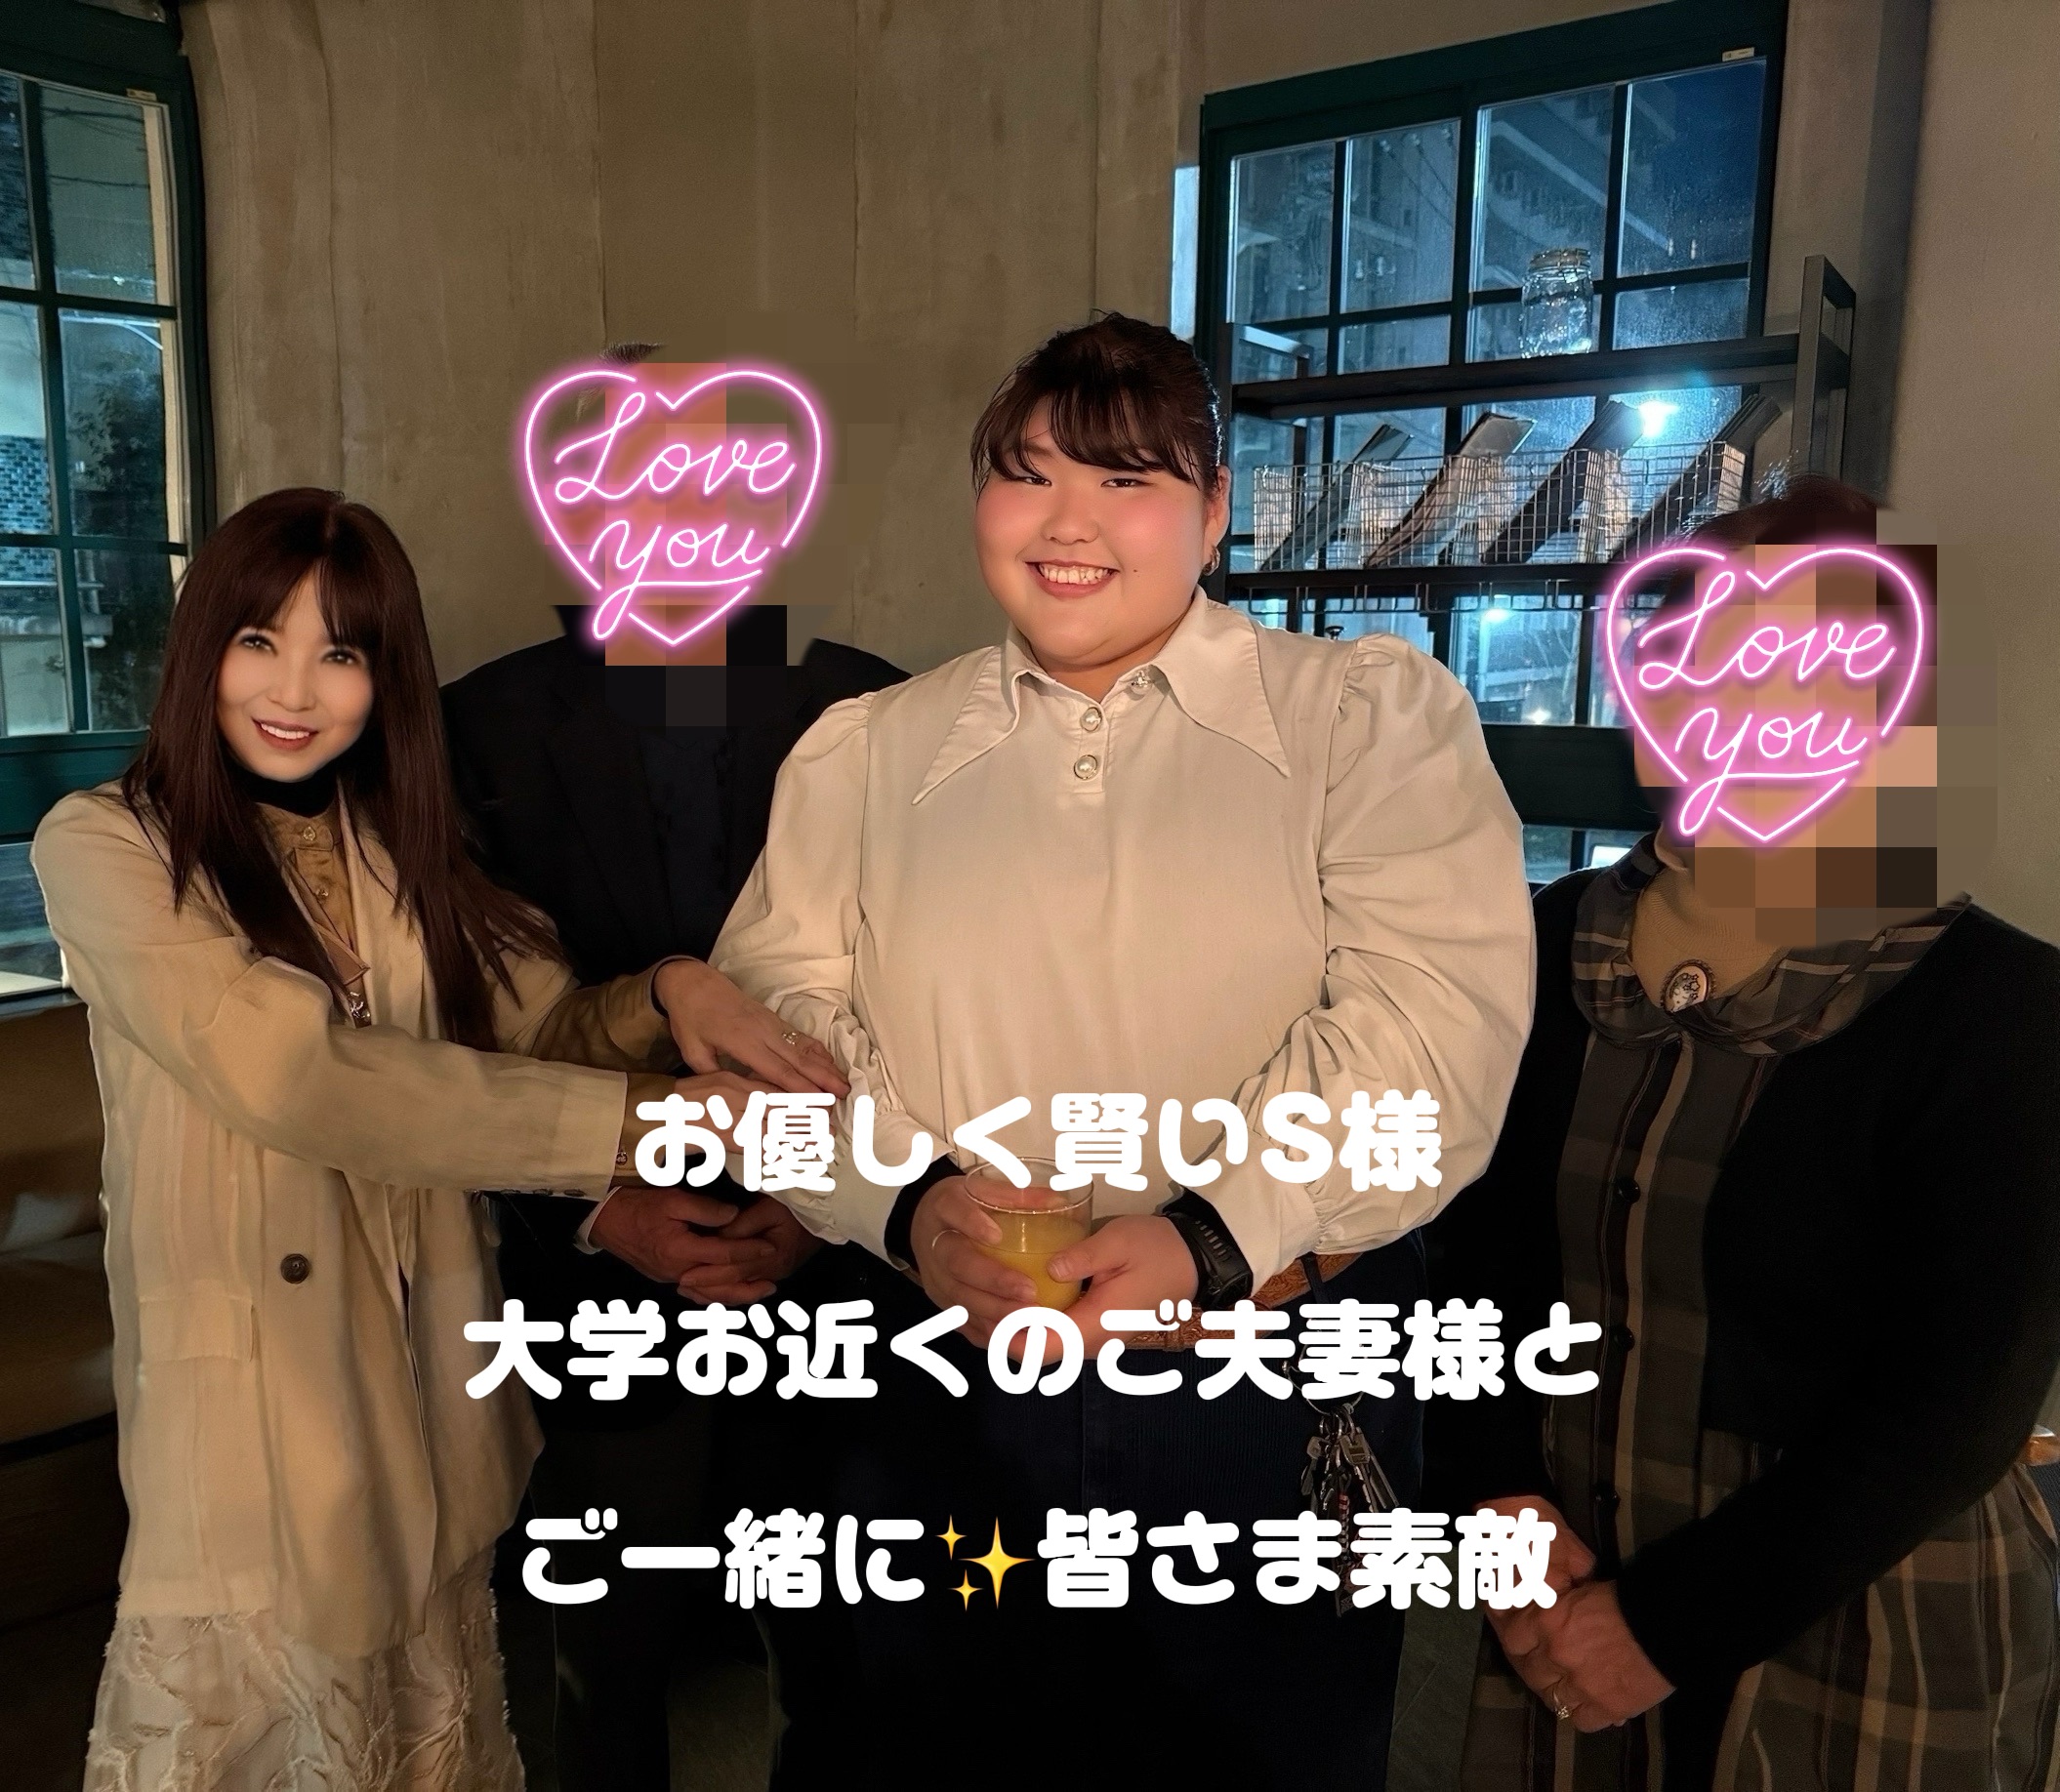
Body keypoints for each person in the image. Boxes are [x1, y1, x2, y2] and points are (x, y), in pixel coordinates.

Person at [712, 312, 1536, 1788]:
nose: (1068, 523)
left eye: (1126, 480)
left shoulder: (1358, 718)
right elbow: (773, 1034)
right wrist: (905, 1207)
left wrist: (1213, 1237)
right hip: (941, 1378)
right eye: (1026, 475)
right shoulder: (866, 751)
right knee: (915, 1753)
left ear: (1214, 510)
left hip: (1261, 1386)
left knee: (1255, 1759)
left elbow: (1430, 1027)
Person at [32, 487, 835, 1791]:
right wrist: (652, 1121)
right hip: (252, 1396)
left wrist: (666, 993)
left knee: (421, 1738)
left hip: (424, 1385)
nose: (296, 689)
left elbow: (537, 1029)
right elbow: (300, 1077)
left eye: (342, 652)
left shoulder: (399, 847)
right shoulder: (109, 844)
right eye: (258, 640)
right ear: (199, 649)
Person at [1423, 477, 2060, 1790]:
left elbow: (1965, 1392)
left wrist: (1668, 1627)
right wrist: (1499, 1503)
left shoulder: (1997, 1004)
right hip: (1560, 1580)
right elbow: (1474, 1260)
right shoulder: (1542, 944)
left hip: (1856, 1617)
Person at [440, 599, 904, 1791]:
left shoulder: (875, 705)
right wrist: (598, 1210)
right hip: (591, 1272)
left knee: (837, 1654)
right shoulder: (476, 726)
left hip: (839, 1273)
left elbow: (936, 995)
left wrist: (822, 1207)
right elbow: (449, 1027)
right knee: (607, 1658)